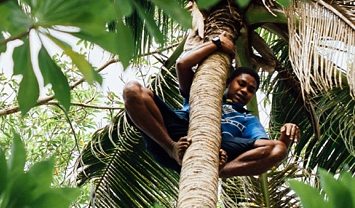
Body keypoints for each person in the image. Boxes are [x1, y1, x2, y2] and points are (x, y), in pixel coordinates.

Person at [122, 36, 299, 177]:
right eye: (241, 84)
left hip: (219, 147)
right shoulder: (206, 93)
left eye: (251, 90)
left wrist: (285, 137)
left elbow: (270, 150)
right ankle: (171, 148)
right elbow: (182, 65)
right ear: (228, 83)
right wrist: (217, 43)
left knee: (279, 148)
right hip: (178, 133)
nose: (245, 91)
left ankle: (220, 171)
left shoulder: (247, 119)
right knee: (132, 90)